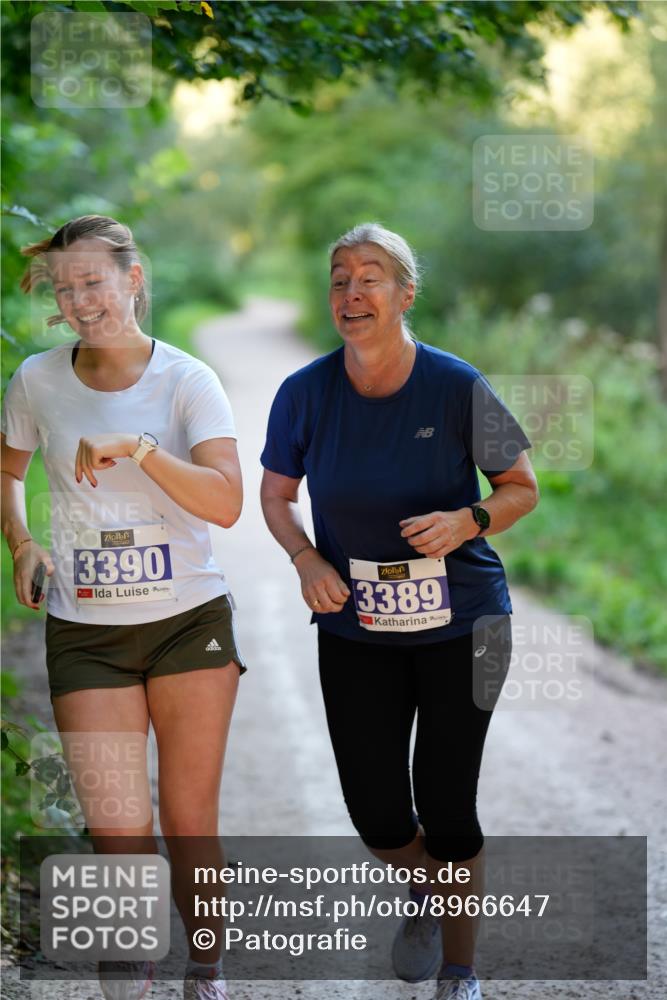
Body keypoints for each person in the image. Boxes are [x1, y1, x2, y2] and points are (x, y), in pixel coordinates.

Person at [260, 223, 539, 1000]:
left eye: (370, 276)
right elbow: (275, 497)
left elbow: (520, 487)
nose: (351, 292)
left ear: (405, 293)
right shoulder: (304, 393)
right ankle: (428, 884)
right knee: (377, 813)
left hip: (465, 622)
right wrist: (305, 557)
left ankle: (460, 970)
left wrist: (467, 521)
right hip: (357, 628)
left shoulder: (457, 386)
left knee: (447, 802)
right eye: (339, 278)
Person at [1, 215, 244, 1000]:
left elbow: (227, 502)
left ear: (132, 279)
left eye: (93, 282)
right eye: (64, 288)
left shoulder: (186, 380)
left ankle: (204, 970)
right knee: (116, 828)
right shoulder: (37, 380)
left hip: (187, 623)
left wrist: (138, 448)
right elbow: (8, 471)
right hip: (86, 632)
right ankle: (131, 974)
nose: (79, 301)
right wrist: (22, 542)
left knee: (187, 819)